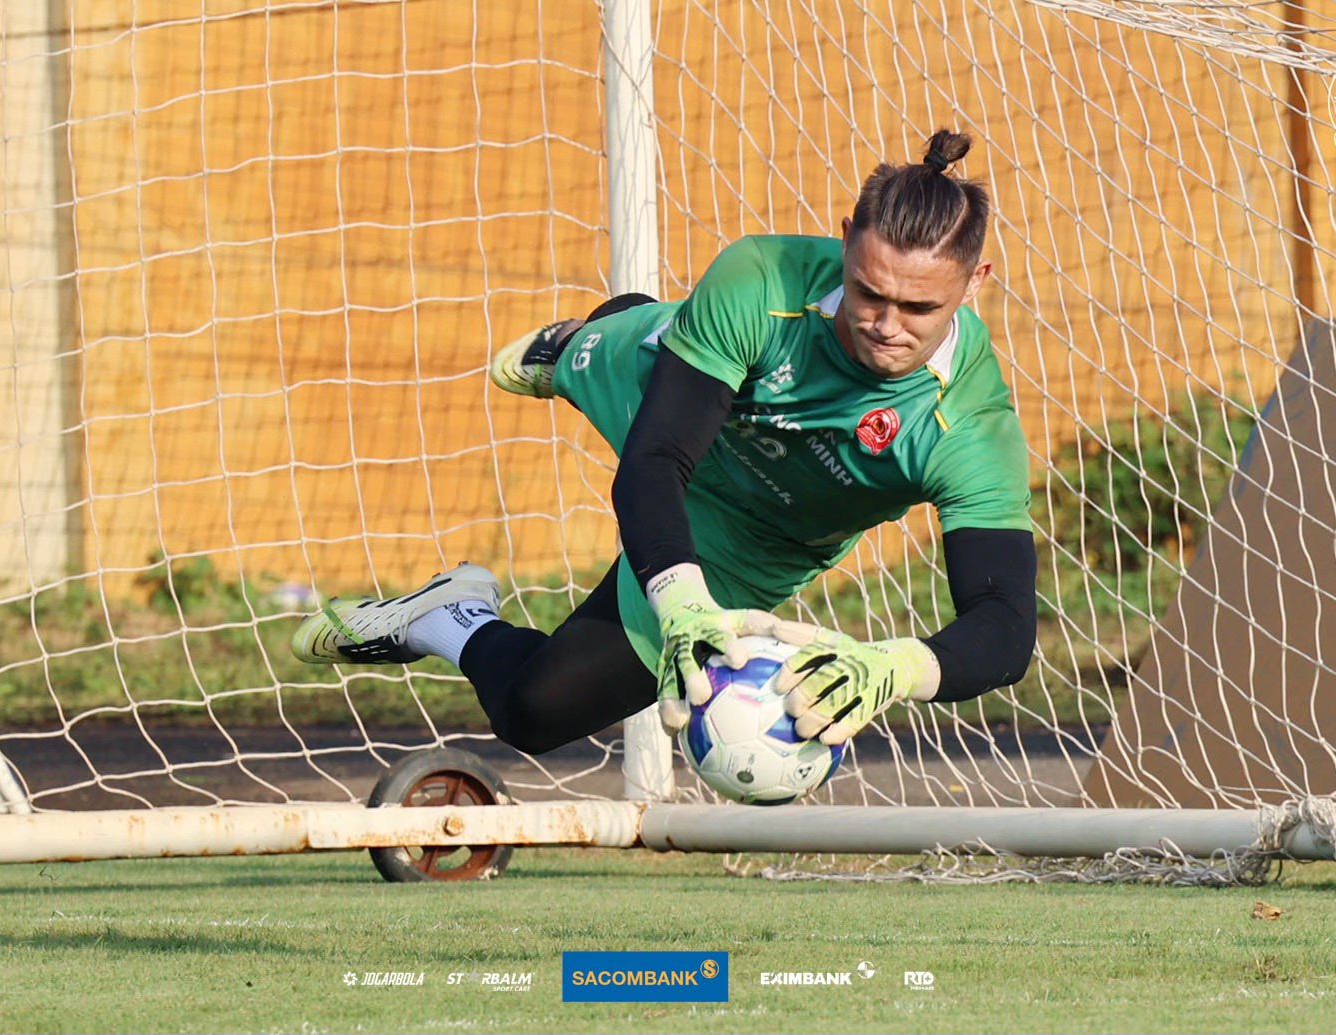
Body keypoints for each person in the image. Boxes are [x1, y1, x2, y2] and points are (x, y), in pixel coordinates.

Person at [291, 128, 1037, 755]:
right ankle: (595, 335)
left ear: (975, 282)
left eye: (918, 307)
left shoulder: (970, 427)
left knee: (532, 713)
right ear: (844, 241)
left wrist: (893, 667)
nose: (885, 324)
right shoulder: (762, 277)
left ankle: (447, 616)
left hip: (754, 536)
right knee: (615, 352)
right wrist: (680, 603)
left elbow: (1005, 627)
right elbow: (652, 462)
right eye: (869, 291)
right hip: (662, 405)